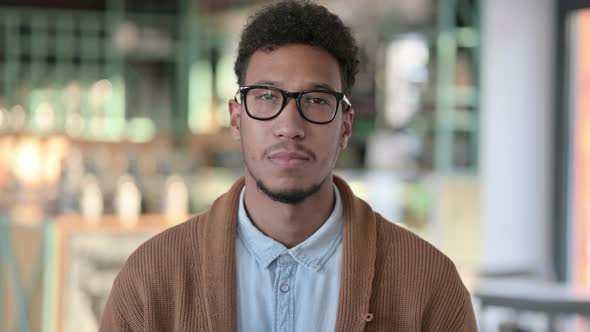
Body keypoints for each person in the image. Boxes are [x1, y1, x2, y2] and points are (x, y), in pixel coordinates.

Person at [100, 1, 478, 331]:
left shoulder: (428, 285)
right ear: (236, 118)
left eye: (315, 100)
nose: (289, 127)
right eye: (266, 96)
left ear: (345, 125)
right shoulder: (152, 279)